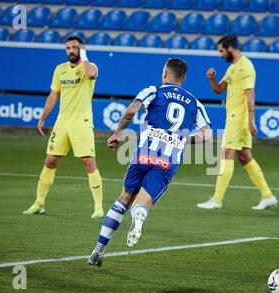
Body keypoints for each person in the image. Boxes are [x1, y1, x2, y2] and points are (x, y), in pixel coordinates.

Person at [88, 58, 211, 267]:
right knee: (142, 203)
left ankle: (98, 250)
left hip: (144, 153)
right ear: (184, 78)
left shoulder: (153, 90)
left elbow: (130, 112)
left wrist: (117, 134)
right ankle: (139, 217)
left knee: (124, 198)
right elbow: (206, 136)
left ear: (165, 73)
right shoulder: (196, 103)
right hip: (168, 159)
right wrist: (181, 140)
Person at [22, 36, 104, 219]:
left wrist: (84, 56)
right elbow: (53, 96)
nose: (71, 51)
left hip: (82, 122)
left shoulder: (90, 66)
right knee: (50, 161)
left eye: (75, 47)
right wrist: (43, 118)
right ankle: (39, 203)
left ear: (81, 49)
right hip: (62, 123)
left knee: (89, 162)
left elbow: (91, 75)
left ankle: (98, 208)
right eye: (68, 48)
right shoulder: (60, 70)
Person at [196, 34, 277, 210]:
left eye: (221, 51)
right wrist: (211, 78)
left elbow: (250, 95)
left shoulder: (245, 67)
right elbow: (219, 90)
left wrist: (251, 121)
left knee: (226, 154)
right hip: (235, 118)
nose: (220, 55)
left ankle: (216, 200)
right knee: (245, 157)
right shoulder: (233, 68)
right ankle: (268, 196)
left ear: (230, 48)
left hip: (239, 119)